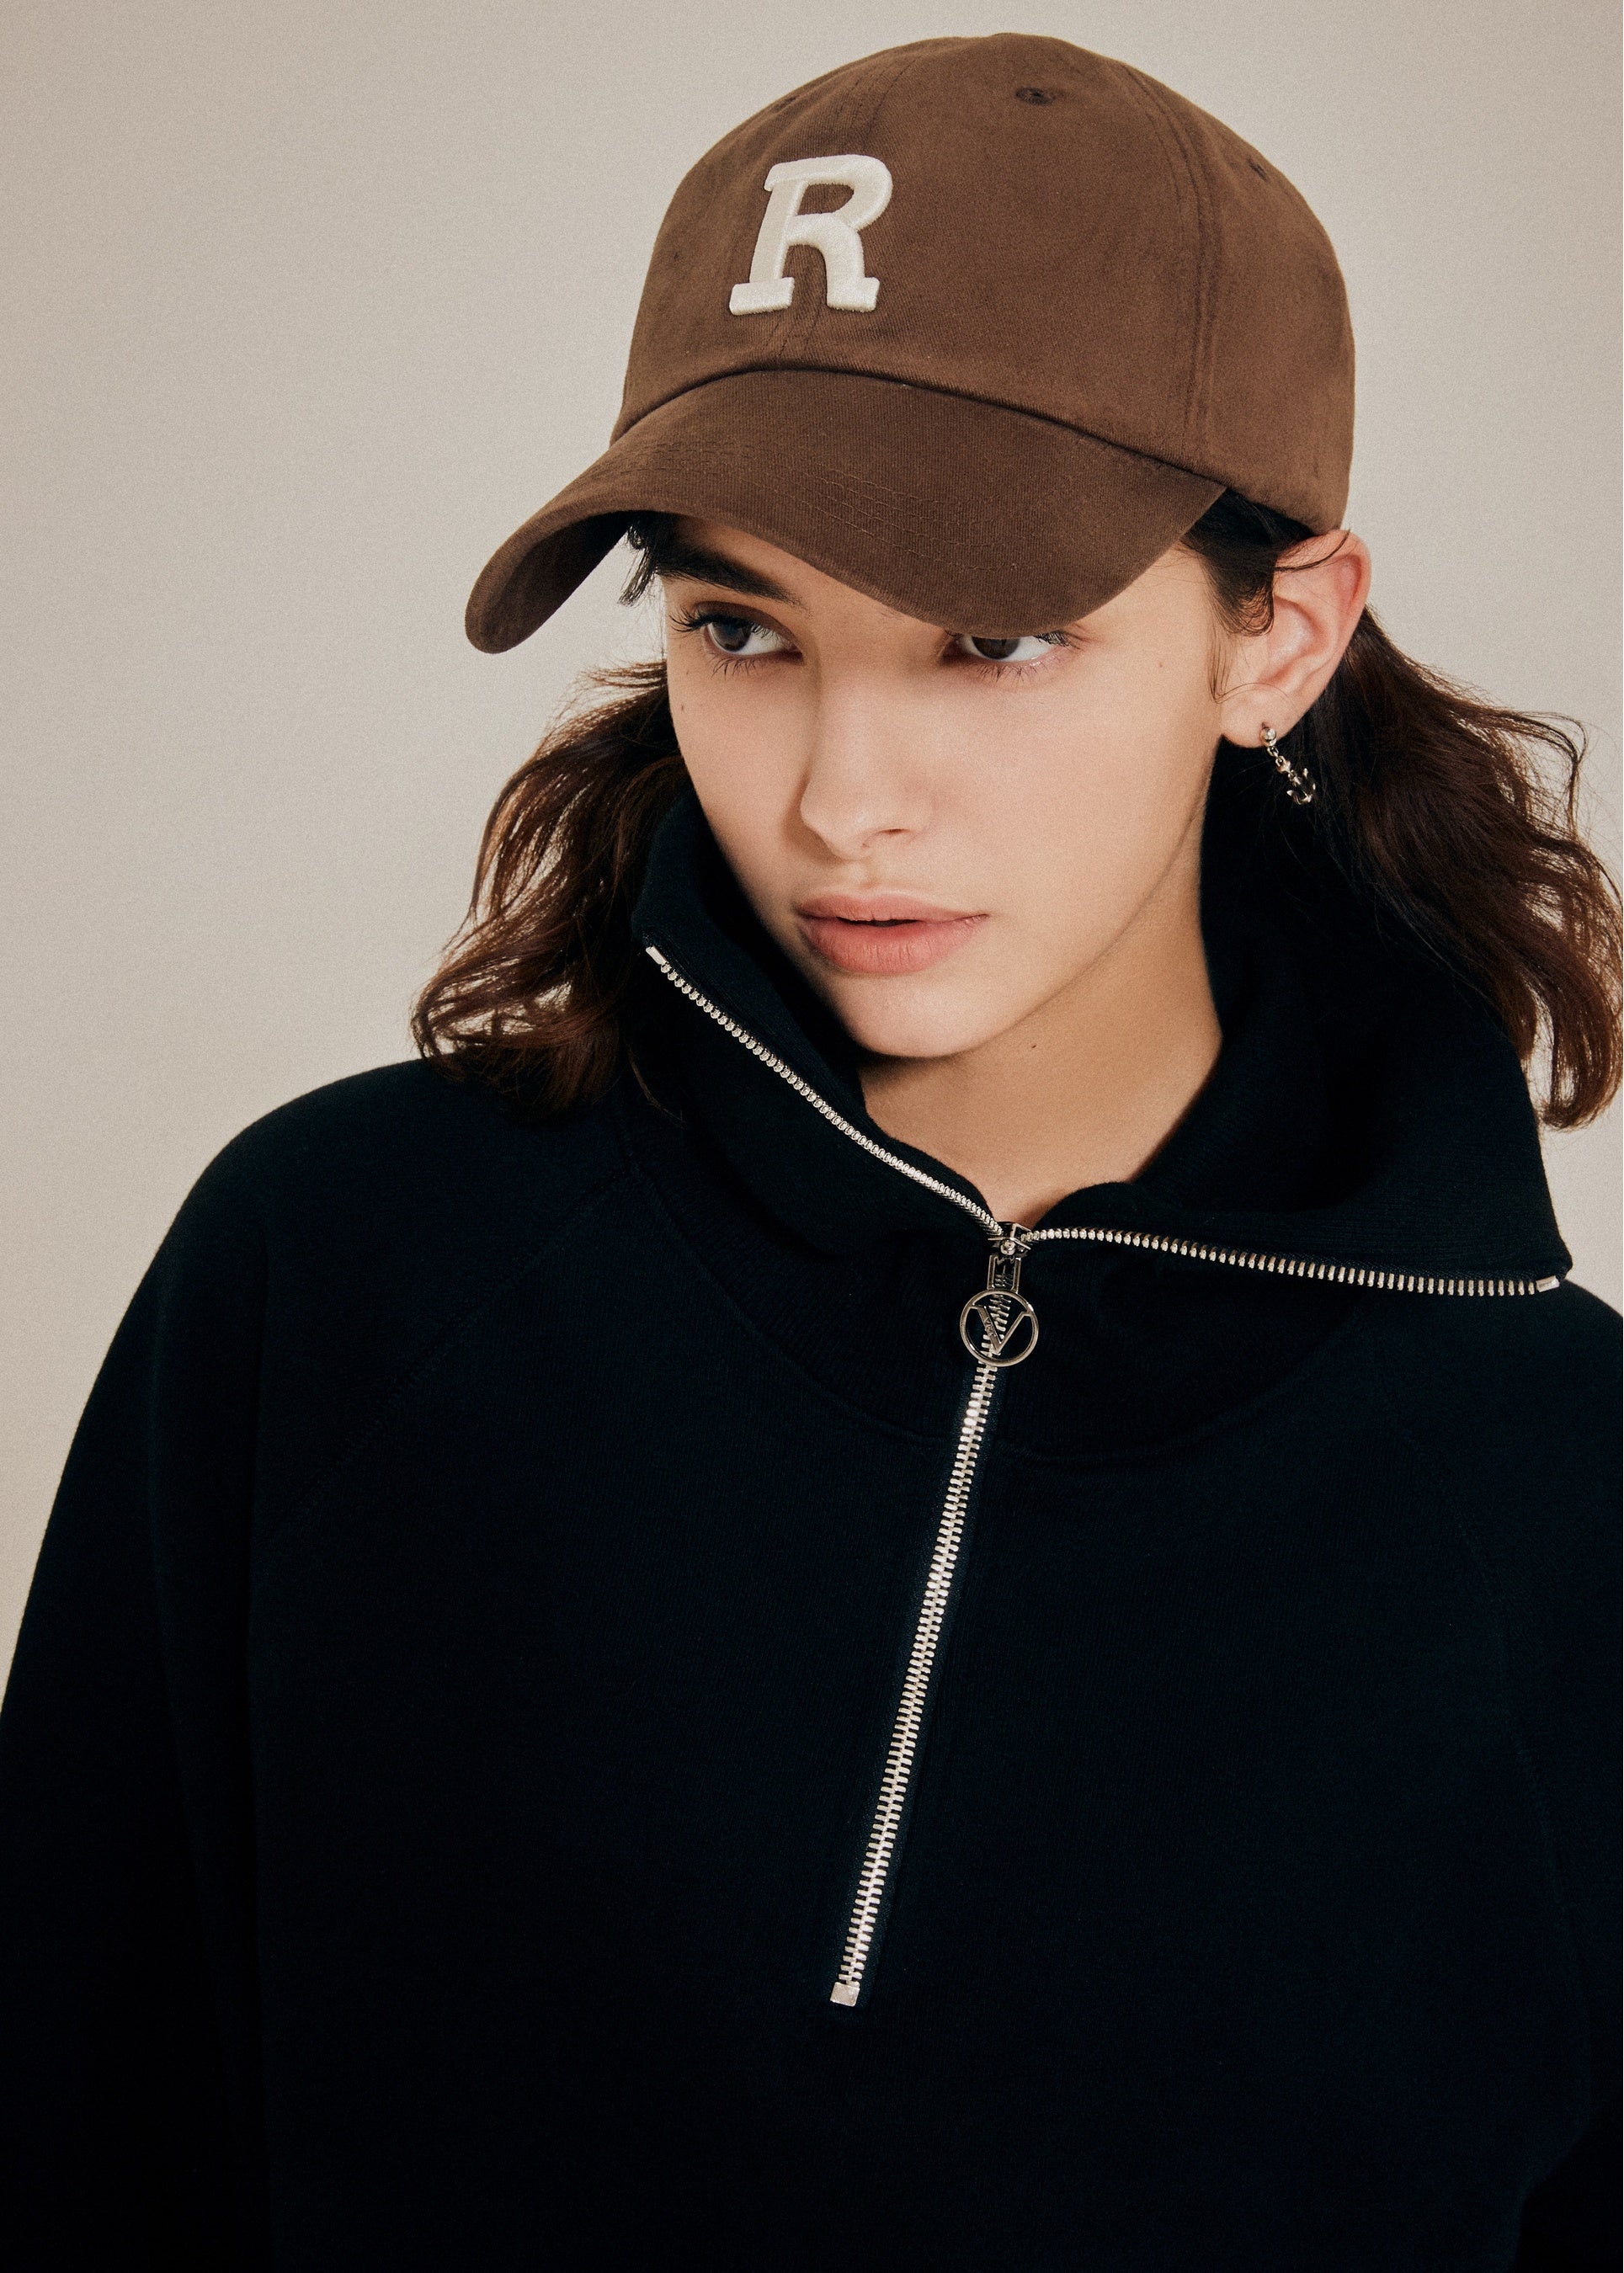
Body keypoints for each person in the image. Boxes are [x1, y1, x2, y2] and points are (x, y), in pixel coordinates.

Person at [0, 32, 1617, 2270]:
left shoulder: (1568, 1508)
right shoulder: (334, 1277)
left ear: (1279, 636)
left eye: (996, 640)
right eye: (743, 627)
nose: (844, 797)